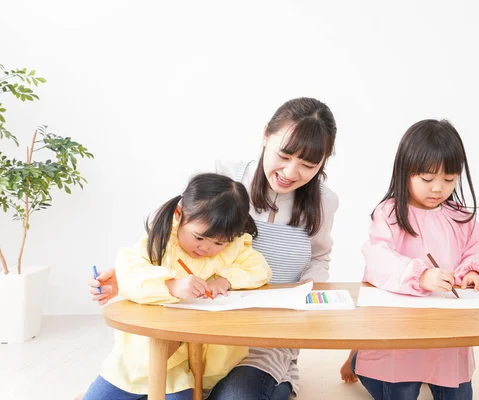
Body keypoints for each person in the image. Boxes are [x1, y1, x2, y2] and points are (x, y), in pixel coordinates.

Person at [89, 97, 339, 400]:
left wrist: (301, 304)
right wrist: (130, 276)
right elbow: (173, 233)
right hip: (201, 324)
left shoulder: (324, 201)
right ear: (265, 136)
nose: (290, 171)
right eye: (284, 155)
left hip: (266, 331)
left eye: (309, 164)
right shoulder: (225, 178)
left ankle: (281, 374)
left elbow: (318, 259)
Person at [341, 119, 479, 400]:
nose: (438, 189)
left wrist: (474, 274)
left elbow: (476, 251)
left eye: (449, 179)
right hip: (398, 334)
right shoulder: (389, 214)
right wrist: (419, 275)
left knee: (458, 393)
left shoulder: (458, 216)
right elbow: (377, 258)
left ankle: (373, 357)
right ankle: (360, 356)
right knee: (400, 391)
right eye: (427, 179)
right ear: (405, 173)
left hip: (446, 334)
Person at [82, 173, 271, 400]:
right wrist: (170, 285)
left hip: (183, 370)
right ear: (180, 214)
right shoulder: (161, 239)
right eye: (199, 238)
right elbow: (127, 271)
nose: (206, 248)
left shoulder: (234, 248)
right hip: (135, 360)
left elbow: (260, 269)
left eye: (219, 243)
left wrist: (225, 279)